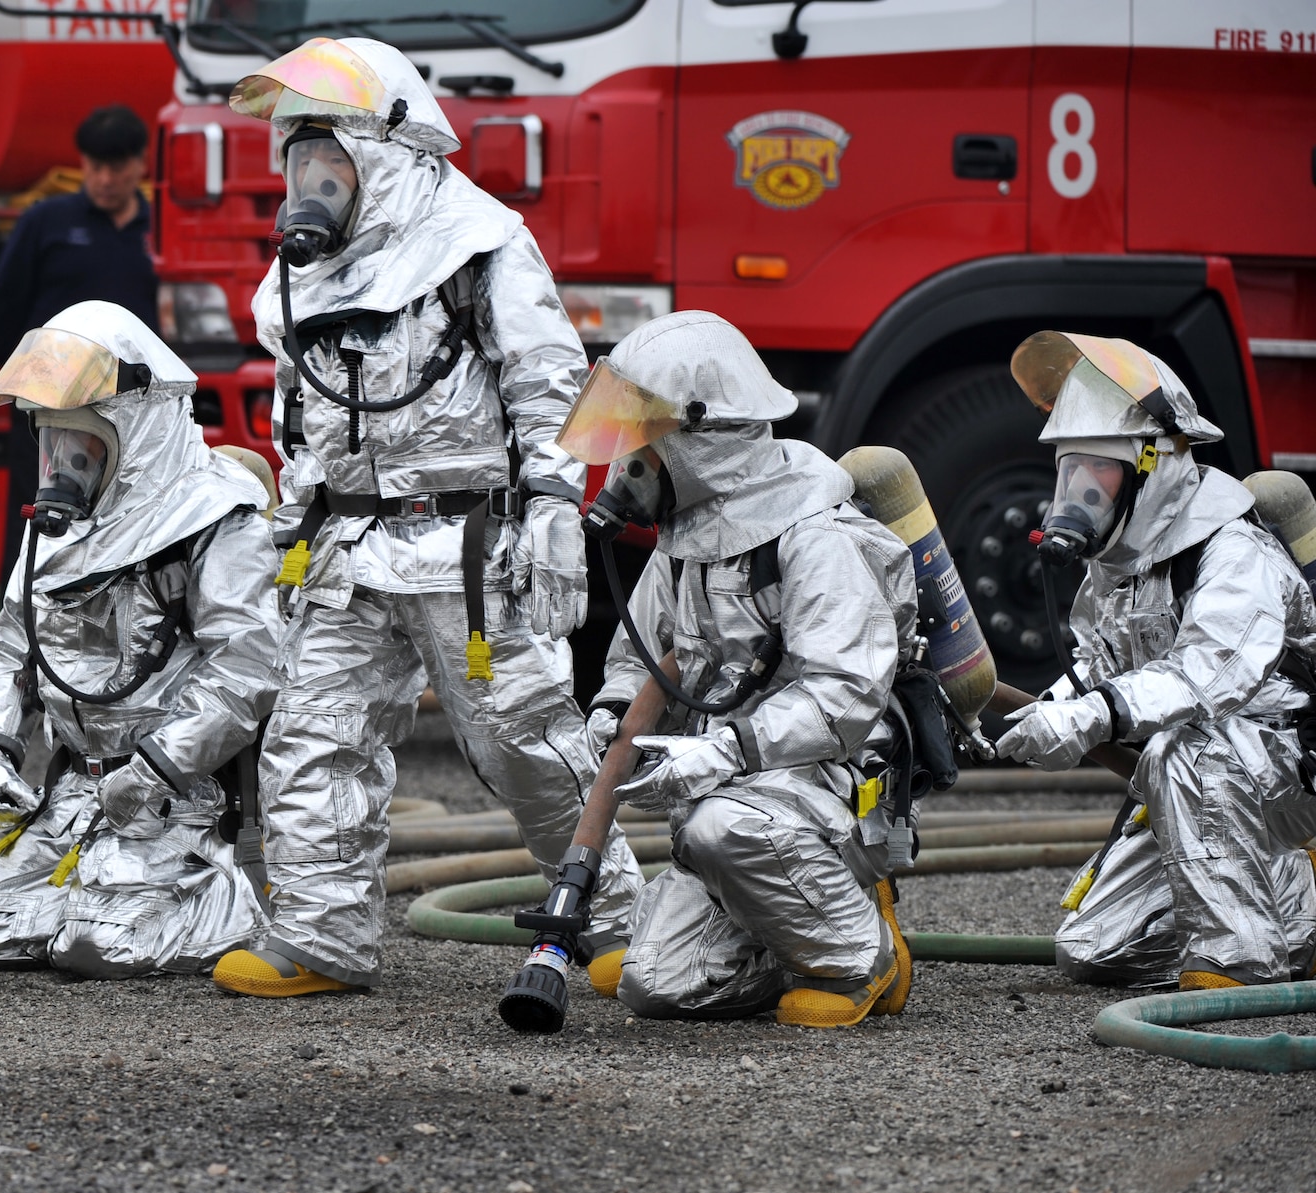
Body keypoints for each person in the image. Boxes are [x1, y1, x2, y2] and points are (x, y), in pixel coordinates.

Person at [210, 37, 646, 998]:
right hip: (345, 545)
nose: (312, 185)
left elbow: (548, 382)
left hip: (469, 546)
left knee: (523, 741)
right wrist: (290, 528)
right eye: (300, 163)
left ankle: (614, 924)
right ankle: (321, 937)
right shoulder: (298, 280)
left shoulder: (479, 243)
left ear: (384, 155)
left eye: (333, 164)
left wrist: (553, 510)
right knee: (313, 734)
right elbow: (303, 414)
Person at [584, 311, 919, 1028]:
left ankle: (865, 956)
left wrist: (726, 748)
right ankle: (786, 942)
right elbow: (637, 657)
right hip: (734, 789)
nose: (628, 464)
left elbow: (846, 692)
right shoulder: (684, 541)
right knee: (655, 987)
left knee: (718, 827)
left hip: (826, 782)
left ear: (703, 441)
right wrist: (611, 715)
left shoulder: (812, 533)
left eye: (646, 441)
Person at [0, 302, 279, 976]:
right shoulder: (53, 529)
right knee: (2, 937)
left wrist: (155, 769)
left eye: (79, 450)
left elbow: (246, 672)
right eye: (51, 445)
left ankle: (243, 896)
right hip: (79, 784)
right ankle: (102, 872)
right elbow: (16, 655)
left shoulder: (216, 521)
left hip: (181, 790)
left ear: (133, 436)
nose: (60, 469)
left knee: (102, 944)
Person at [999, 332, 1316, 990]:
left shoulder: (1232, 549)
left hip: (1287, 764)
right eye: (1070, 471)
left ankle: (1239, 958)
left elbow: (1207, 673)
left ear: (1156, 464)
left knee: (1182, 748)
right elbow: (1100, 667)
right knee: (1092, 950)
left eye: (1099, 471)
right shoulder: (1116, 571)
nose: (1080, 492)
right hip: (1211, 785)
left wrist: (1093, 715)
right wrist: (1035, 717)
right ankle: (1293, 897)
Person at [0, 105, 158, 590]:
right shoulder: (46, 222)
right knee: (39, 511)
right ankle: (21, 628)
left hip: (131, 402)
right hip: (47, 402)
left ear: (140, 164)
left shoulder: (159, 226)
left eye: (117, 168)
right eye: (95, 168)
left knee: (128, 516)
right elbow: (4, 304)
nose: (105, 179)